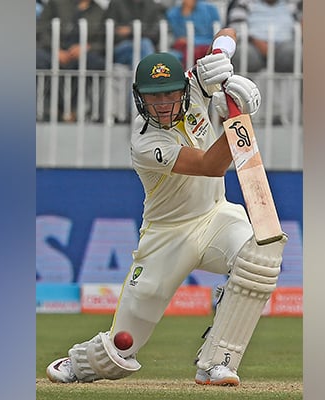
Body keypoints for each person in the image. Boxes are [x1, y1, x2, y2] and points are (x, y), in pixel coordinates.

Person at [45, 29, 287, 386]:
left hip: (216, 216)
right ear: (140, 98)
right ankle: (80, 363)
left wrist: (222, 56)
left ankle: (217, 362)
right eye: (152, 97)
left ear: (184, 88)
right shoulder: (146, 142)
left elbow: (228, 32)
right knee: (121, 349)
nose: (162, 104)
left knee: (260, 256)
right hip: (167, 237)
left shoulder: (196, 85)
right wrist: (242, 118)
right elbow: (210, 165)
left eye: (170, 94)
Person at [36, 0, 106, 121]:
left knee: (95, 64)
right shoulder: (56, 4)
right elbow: (41, 29)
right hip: (52, 51)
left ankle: (77, 111)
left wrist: (87, 47)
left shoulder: (100, 11)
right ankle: (47, 110)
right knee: (38, 60)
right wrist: (55, 49)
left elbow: (105, 40)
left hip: (82, 55)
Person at [226, 0, 298, 73]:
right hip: (253, 45)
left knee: (295, 51)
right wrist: (255, 41)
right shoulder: (244, 3)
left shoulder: (292, 3)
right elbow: (236, 28)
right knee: (242, 53)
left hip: (285, 46)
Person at [104, 0, 166, 66]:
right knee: (144, 46)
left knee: (141, 50)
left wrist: (131, 30)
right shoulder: (116, 3)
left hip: (144, 48)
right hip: (121, 48)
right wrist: (138, 31)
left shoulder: (152, 5)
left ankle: (142, 73)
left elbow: (155, 35)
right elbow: (112, 32)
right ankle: (148, 73)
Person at [166, 0, 222, 67]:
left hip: (206, 47)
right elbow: (174, 38)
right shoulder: (173, 14)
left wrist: (191, 41)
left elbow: (217, 35)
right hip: (183, 50)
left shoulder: (210, 10)